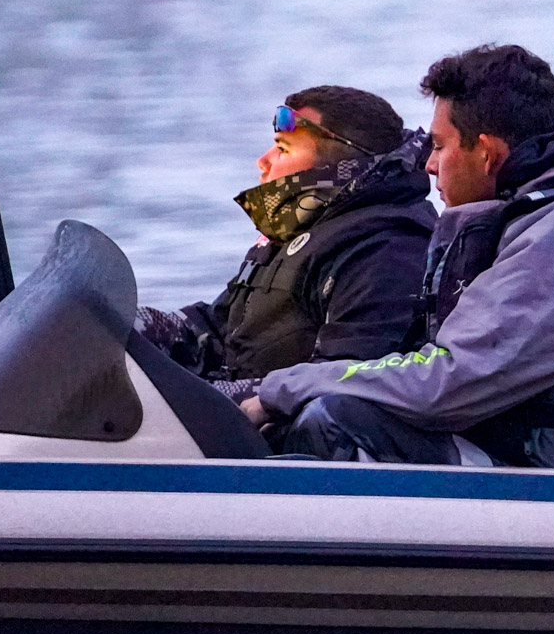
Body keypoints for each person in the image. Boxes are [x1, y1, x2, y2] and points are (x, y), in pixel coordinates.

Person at [243, 45, 554, 470]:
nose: (429, 165)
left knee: (334, 421)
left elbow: (447, 381)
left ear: (488, 154)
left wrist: (282, 390)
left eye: (439, 146)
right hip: (515, 450)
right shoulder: (538, 218)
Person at [137, 86, 438, 403]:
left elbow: (348, 383)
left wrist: (215, 400)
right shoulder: (300, 230)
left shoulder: (387, 251)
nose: (262, 161)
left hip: (288, 430)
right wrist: (130, 325)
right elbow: (215, 331)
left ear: (337, 168)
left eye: (283, 149)